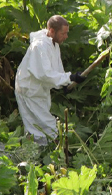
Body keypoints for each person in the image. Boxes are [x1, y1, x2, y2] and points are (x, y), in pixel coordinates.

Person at [15, 15, 85, 146]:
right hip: (29, 90)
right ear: (52, 31)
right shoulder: (39, 46)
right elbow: (45, 74)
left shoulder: (54, 44)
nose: (66, 37)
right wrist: (70, 77)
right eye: (63, 33)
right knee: (47, 126)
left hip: (40, 89)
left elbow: (57, 70)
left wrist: (65, 83)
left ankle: (35, 154)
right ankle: (48, 153)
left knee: (37, 125)